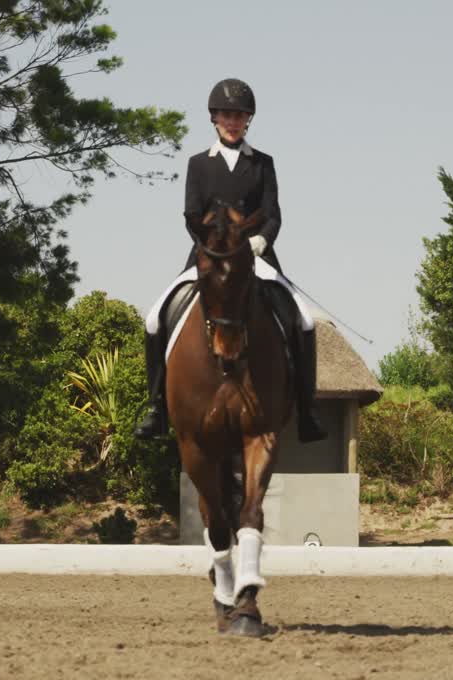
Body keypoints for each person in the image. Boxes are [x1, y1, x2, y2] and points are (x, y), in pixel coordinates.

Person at [134, 78, 327, 443]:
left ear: (248, 120)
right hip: (208, 258)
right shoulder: (198, 164)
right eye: (226, 115)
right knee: (154, 318)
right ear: (214, 118)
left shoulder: (263, 164)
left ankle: (307, 409)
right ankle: (157, 409)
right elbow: (192, 214)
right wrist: (211, 248)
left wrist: (259, 241)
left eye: (239, 116)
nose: (232, 121)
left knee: (303, 319)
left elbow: (273, 214)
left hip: (256, 257)